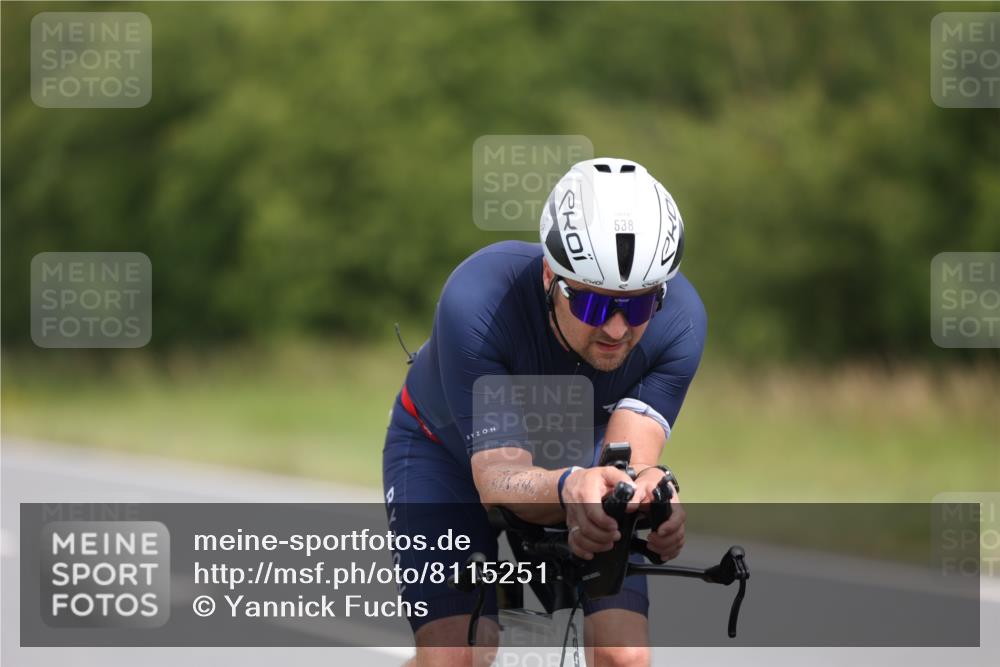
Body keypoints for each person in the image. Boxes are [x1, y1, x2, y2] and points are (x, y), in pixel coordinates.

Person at [383, 157, 706, 667]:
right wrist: (568, 487)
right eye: (596, 306)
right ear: (551, 275)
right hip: (444, 453)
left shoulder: (681, 321)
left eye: (639, 306)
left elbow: (631, 457)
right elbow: (498, 476)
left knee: (625, 656)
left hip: (580, 461)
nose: (618, 329)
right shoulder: (479, 299)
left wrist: (652, 496)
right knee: (456, 657)